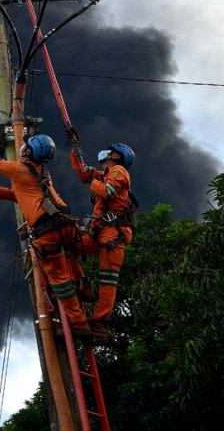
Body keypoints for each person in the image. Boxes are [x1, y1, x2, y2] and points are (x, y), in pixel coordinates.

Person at [0, 130, 91, 339]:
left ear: (30, 150)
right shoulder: (41, 172)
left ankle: (79, 324)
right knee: (69, 257)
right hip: (67, 223)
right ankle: (83, 285)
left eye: (27, 145)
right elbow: (23, 196)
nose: (23, 148)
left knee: (59, 279)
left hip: (47, 230)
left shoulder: (18, 169)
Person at [70, 142, 136, 342]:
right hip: (100, 231)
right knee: (69, 248)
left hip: (114, 234)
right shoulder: (105, 173)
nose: (108, 153)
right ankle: (83, 285)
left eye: (112, 152)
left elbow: (108, 192)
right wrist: (74, 148)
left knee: (108, 280)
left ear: (117, 157)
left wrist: (91, 179)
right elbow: (83, 170)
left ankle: (100, 323)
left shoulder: (118, 171)